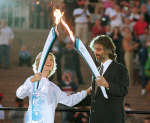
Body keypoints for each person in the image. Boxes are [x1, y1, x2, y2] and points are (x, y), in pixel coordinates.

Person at [16, 52, 91, 123]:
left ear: (53, 65)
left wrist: (86, 92)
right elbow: (19, 94)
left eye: (51, 60)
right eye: (46, 59)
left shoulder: (54, 88)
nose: (49, 61)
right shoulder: (31, 80)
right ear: (39, 63)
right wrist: (32, 81)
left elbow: (69, 101)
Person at [89, 35, 129, 123]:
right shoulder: (96, 70)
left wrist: (107, 85)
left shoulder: (120, 68)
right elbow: (94, 98)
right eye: (94, 49)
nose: (95, 52)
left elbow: (123, 90)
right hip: (96, 119)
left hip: (112, 118)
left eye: (99, 49)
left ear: (108, 50)